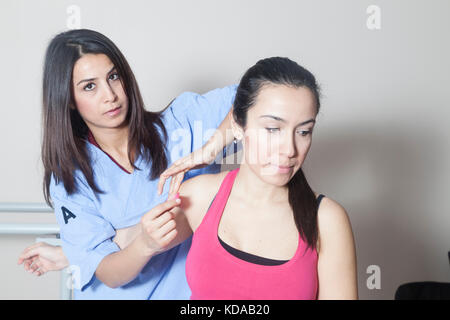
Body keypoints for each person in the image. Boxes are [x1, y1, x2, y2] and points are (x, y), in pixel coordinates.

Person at [17, 28, 237, 299]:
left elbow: (270, 91)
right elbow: (109, 273)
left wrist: (210, 149)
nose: (110, 95)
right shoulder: (70, 178)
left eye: (113, 76)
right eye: (89, 86)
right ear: (68, 100)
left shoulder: (185, 122)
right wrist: (144, 241)